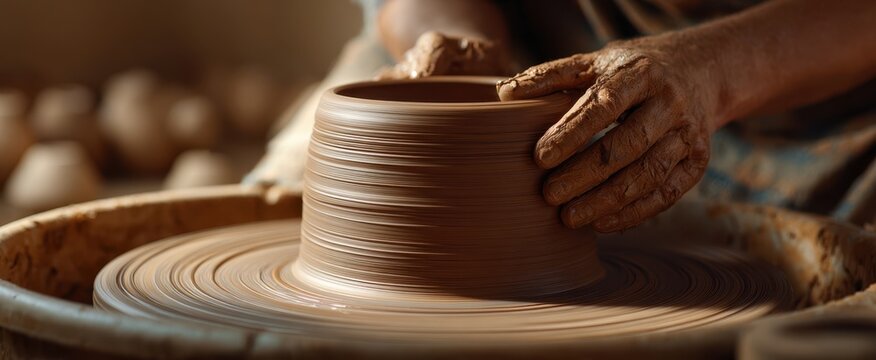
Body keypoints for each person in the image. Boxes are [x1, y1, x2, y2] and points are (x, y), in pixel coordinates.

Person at [247, 0, 876, 232]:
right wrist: (464, 42)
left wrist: (715, 70)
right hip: (538, 42)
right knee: (298, 200)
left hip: (819, 78)